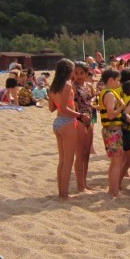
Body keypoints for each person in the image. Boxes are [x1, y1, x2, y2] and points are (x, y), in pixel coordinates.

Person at [49, 58, 90, 200]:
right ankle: (64, 194)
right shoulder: (67, 85)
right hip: (67, 123)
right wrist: (80, 115)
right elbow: (65, 108)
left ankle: (61, 192)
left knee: (62, 160)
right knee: (68, 161)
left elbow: (52, 108)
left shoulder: (54, 86)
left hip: (57, 123)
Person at [99, 67, 127, 198]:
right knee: (117, 161)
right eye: (117, 80)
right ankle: (114, 191)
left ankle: (112, 189)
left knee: (114, 161)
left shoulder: (105, 92)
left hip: (110, 129)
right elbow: (110, 115)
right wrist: (121, 107)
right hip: (113, 129)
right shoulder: (109, 94)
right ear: (111, 80)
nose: (119, 83)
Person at [73, 61, 96, 193]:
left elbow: (92, 100)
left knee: (87, 153)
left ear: (86, 73)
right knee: (80, 154)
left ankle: (85, 183)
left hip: (89, 119)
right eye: (76, 73)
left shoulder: (89, 86)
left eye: (82, 73)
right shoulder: (72, 86)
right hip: (79, 120)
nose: (79, 76)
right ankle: (80, 185)